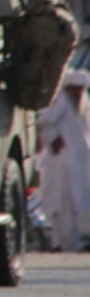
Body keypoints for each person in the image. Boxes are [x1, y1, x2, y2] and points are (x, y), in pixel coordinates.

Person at [36, 68, 90, 252]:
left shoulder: (83, 104)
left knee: (77, 201)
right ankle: (62, 241)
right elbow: (43, 121)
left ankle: (74, 240)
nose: (78, 93)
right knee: (61, 202)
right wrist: (53, 138)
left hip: (79, 161)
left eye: (81, 89)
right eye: (75, 89)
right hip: (61, 160)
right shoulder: (60, 101)